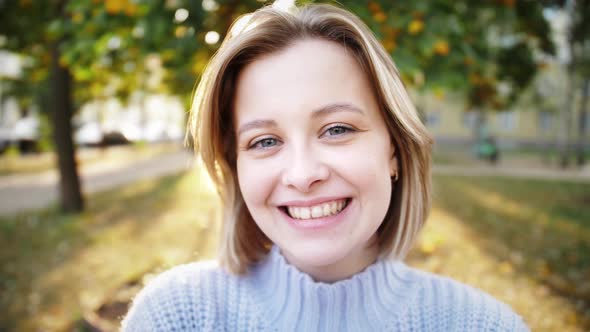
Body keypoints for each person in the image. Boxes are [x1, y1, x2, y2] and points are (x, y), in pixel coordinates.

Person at [122, 3, 528, 331]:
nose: (302, 174)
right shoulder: (175, 317)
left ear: (394, 150)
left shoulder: (483, 324)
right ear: (236, 167)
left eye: (336, 129)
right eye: (264, 141)